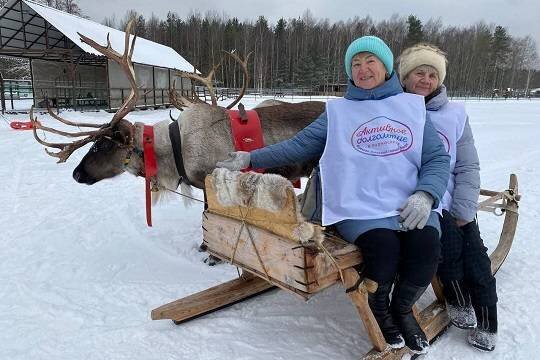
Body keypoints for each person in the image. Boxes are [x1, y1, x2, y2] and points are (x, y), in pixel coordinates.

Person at [217, 35, 450, 354]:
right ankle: (380, 308)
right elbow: (298, 145)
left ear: (386, 67)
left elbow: (437, 158)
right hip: (360, 206)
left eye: (370, 61)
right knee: (383, 250)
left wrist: (426, 194)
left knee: (426, 247)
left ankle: (402, 308)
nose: (363, 69)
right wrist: (251, 158)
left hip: (409, 202)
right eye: (355, 64)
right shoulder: (338, 112)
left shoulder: (411, 108)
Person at [398, 43, 498, 351]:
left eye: (432, 74)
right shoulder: (394, 110)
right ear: (405, 78)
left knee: (475, 258)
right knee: (448, 250)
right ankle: (455, 296)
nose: (426, 80)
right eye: (419, 73)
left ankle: (488, 320)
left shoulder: (455, 114)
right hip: (418, 203)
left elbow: (468, 165)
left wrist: (465, 207)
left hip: (453, 201)